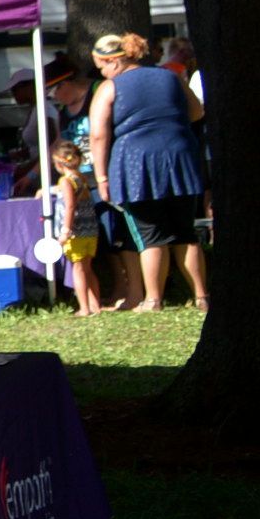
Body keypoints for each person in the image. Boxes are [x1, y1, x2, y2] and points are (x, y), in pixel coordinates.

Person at [88, 32, 211, 311]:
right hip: (179, 158)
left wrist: (101, 177)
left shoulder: (109, 87)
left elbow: (98, 135)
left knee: (150, 236)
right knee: (185, 233)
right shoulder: (171, 76)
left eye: (101, 67)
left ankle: (153, 299)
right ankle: (202, 296)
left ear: (113, 61)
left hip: (136, 165)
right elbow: (196, 111)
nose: (102, 73)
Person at [50, 142, 105, 318]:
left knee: (78, 269)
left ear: (59, 164)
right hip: (90, 230)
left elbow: (70, 205)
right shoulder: (81, 178)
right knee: (88, 269)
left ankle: (84, 308)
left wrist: (65, 229)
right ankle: (95, 304)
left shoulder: (66, 181)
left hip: (76, 232)